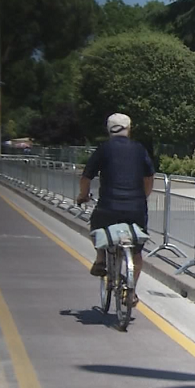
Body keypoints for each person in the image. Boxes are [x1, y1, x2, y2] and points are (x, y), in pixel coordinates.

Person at [77, 113, 154, 302]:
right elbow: (149, 177)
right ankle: (132, 291)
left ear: (109, 129)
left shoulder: (104, 149)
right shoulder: (139, 149)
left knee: (96, 225)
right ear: (129, 129)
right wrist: (142, 197)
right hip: (136, 208)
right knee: (136, 251)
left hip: (108, 207)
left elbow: (86, 176)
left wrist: (83, 195)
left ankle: (100, 258)